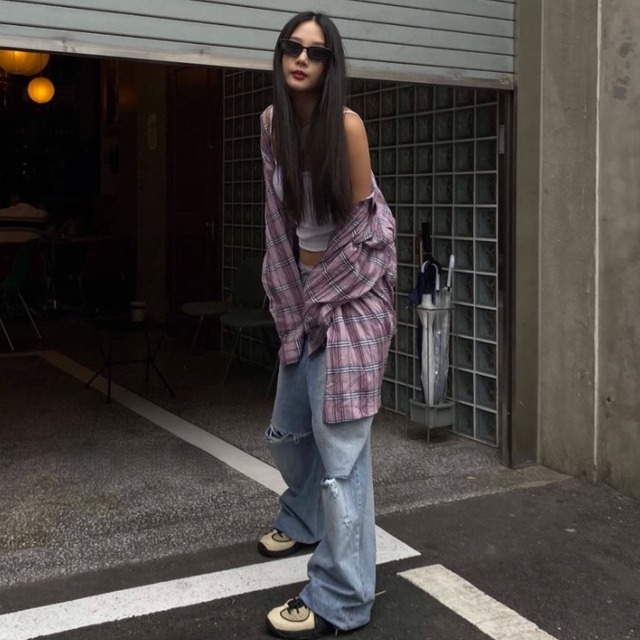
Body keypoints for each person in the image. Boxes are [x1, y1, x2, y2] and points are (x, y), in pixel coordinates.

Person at [258, 11, 397, 639]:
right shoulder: (272, 125)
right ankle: (303, 519)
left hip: (352, 299)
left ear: (330, 65)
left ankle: (342, 599)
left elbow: (369, 238)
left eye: (315, 52)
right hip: (305, 296)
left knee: (342, 459)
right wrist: (289, 300)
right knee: (290, 431)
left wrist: (319, 299)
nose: (301, 59)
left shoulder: (346, 128)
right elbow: (276, 223)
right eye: (293, 47)